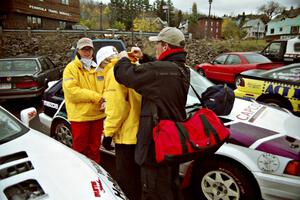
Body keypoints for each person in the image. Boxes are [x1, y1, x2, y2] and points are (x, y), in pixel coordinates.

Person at [114, 27, 190, 200]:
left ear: (165, 46)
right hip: (173, 140)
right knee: (171, 186)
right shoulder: (182, 69)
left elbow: (126, 75)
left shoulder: (160, 71)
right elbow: (160, 72)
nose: (155, 48)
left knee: (154, 191)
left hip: (156, 144)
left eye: (157, 44)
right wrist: (144, 58)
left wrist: (123, 59)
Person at [97, 46, 142, 200]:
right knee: (137, 177)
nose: (101, 70)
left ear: (105, 61)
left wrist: (108, 134)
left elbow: (118, 108)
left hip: (126, 135)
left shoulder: (113, 72)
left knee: (126, 179)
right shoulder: (134, 67)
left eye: (101, 66)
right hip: (139, 131)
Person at [62, 37, 107, 164]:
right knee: (80, 150)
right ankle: (80, 173)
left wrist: (106, 99)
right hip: (80, 117)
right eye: (84, 50)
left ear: (93, 50)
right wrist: (98, 97)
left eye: (89, 49)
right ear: (78, 51)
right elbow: (72, 93)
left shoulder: (99, 68)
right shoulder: (71, 68)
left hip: (98, 116)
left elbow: (106, 87)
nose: (87, 52)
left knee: (95, 149)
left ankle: (96, 174)